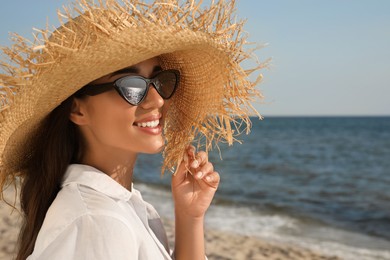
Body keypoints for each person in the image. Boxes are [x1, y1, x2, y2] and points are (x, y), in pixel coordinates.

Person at [0, 0, 264, 259]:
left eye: (159, 80)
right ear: (76, 110)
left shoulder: (122, 209)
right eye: (132, 86)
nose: (158, 100)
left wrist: (189, 218)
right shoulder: (99, 222)